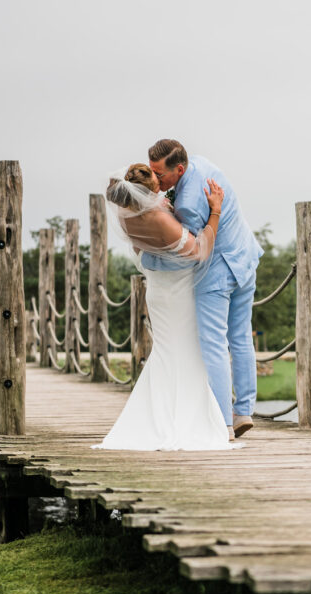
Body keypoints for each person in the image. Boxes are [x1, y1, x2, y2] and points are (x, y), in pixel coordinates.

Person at [94, 165, 234, 451]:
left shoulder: (127, 217)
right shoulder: (159, 218)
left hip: (157, 290)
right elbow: (199, 250)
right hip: (179, 292)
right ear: (152, 190)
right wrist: (215, 212)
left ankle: (159, 415)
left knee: (167, 352)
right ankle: (186, 420)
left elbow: (140, 250)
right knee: (187, 351)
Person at [146, 139, 263, 440]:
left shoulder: (186, 204)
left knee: (213, 343)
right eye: (152, 172)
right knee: (240, 337)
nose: (156, 179)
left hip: (217, 272)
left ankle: (222, 422)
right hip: (245, 259)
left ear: (179, 168)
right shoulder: (202, 162)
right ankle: (244, 411)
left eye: (159, 174)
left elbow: (198, 250)